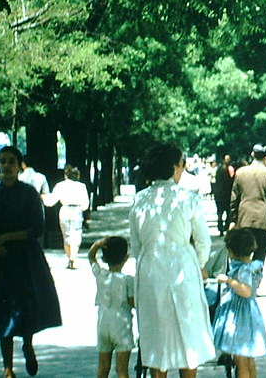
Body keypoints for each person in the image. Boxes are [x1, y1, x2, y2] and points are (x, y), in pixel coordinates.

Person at [130, 144, 215, 377]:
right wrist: (198, 264)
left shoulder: (139, 199)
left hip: (150, 269)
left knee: (156, 338)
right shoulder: (187, 198)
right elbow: (203, 241)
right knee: (188, 335)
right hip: (183, 266)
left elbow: (135, 245)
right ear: (174, 167)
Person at [0, 146, 62, 378]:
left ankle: (27, 345)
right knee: (3, 310)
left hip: (25, 258)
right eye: (3, 161)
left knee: (25, 307)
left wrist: (6, 237)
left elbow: (36, 228)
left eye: (11, 161)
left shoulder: (28, 193)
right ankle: (7, 367)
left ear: (19, 165)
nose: (7, 166)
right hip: (0, 260)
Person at [212, 229, 266, 378]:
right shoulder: (253, 266)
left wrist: (228, 281)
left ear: (231, 252)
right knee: (249, 358)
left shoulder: (242, 270)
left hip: (239, 317)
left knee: (240, 358)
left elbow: (245, 291)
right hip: (250, 314)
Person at [88, 236, 135, 378]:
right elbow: (133, 303)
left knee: (103, 367)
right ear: (126, 258)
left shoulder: (100, 275)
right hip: (121, 325)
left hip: (103, 323)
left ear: (104, 259)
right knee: (121, 369)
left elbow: (91, 257)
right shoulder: (127, 281)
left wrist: (97, 244)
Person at [229, 144, 266, 266]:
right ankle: (255, 280)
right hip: (262, 220)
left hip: (244, 218)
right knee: (260, 253)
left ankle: (242, 280)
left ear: (252, 154)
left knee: (242, 252)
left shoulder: (240, 172)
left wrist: (233, 219)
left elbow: (234, 199)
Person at [46, 165, 90, 269]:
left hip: (64, 210)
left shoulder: (60, 185)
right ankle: (73, 259)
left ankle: (70, 258)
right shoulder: (81, 186)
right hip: (77, 211)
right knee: (76, 235)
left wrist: (43, 198)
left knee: (66, 236)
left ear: (66, 175)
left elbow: (52, 200)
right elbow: (85, 204)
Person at [213, 154, 235, 234]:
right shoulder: (229, 169)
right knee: (228, 212)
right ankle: (226, 226)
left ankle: (220, 228)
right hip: (226, 194)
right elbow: (230, 182)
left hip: (218, 194)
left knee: (219, 212)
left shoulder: (218, 169)